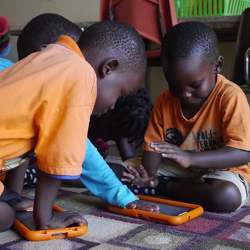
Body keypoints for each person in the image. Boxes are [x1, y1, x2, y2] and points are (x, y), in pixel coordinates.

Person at [0, 18, 148, 232]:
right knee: (4, 217)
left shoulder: (53, 56)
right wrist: (45, 217)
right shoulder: (80, 76)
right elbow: (58, 155)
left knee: (8, 207)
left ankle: (10, 197)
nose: (114, 104)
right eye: (119, 93)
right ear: (108, 68)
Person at [123, 21, 250, 213]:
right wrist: (147, 175)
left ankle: (165, 188)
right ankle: (159, 184)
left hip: (221, 172)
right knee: (119, 175)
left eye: (195, 85)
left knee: (226, 197)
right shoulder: (164, 101)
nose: (185, 94)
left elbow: (242, 153)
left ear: (217, 66)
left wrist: (190, 158)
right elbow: (153, 148)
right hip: (177, 169)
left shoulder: (230, 97)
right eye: (175, 86)